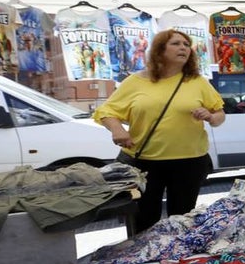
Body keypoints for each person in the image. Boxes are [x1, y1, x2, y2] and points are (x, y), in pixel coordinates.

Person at [94, 29, 225, 232]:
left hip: (190, 162)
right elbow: (106, 111)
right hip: (144, 163)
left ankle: (177, 261)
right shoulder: (135, 81)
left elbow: (219, 115)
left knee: (181, 221)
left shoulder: (197, 82)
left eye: (186, 44)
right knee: (144, 220)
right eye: (175, 43)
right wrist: (117, 129)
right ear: (159, 50)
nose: (183, 47)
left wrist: (210, 116)